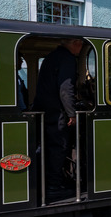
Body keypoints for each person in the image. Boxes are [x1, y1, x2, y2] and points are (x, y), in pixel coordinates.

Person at [33, 38, 84, 199]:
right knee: (58, 148)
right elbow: (65, 89)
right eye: (81, 45)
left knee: (49, 148)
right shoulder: (67, 58)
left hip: (46, 111)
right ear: (75, 43)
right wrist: (71, 113)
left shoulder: (52, 56)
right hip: (57, 113)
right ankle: (53, 187)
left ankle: (53, 183)